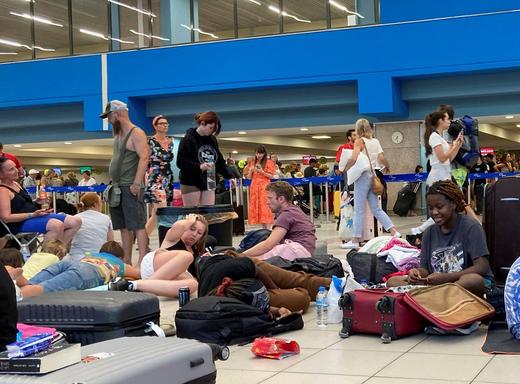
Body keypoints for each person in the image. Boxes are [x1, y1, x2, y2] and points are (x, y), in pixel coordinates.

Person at [387, 181, 491, 296]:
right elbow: (425, 270)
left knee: (473, 280)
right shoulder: (429, 233)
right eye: (431, 208)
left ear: (453, 204)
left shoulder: (471, 227)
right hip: (438, 285)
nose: (435, 212)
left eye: (440, 207)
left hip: (462, 284)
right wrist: (416, 273)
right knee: (393, 281)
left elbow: (482, 267)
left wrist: (447, 278)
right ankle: (436, 296)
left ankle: (434, 296)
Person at [109, 214, 207, 297]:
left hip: (163, 281)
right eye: (192, 229)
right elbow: (179, 225)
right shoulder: (174, 238)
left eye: (199, 233)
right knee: (187, 256)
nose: (194, 234)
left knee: (192, 285)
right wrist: (190, 220)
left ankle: (135, 286)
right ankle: (145, 286)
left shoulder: (197, 251)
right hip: (153, 265)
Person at [197, 252, 331, 313]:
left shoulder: (234, 266)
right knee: (302, 298)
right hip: (238, 291)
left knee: (293, 280)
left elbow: (256, 270)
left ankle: (338, 284)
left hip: (241, 267)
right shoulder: (213, 306)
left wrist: (277, 290)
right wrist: (277, 310)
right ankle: (333, 286)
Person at [101, 100, 150, 265]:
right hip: (117, 187)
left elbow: (144, 157)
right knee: (123, 226)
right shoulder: (118, 134)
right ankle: (127, 260)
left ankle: (143, 259)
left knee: (137, 224)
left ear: (116, 114)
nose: (108, 120)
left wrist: (136, 183)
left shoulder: (136, 133)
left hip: (130, 186)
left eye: (108, 116)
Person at [341, 119, 399, 248]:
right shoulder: (375, 141)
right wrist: (387, 166)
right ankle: (394, 231)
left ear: (358, 129)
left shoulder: (359, 141)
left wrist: (345, 167)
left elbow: (354, 158)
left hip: (362, 177)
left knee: (359, 210)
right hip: (373, 176)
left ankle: (355, 240)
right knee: (376, 208)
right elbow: (382, 158)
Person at [0, 157, 81, 244]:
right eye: (11, 169)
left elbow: (23, 204)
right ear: (1, 174)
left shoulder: (16, 184)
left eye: (15, 167)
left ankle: (58, 251)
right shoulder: (3, 191)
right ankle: (48, 255)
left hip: (34, 215)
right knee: (56, 225)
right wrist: (32, 215)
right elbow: (6, 218)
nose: (16, 170)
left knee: (75, 221)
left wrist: (36, 201)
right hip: (18, 223)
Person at [16, 241, 138, 298]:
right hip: (92, 272)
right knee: (42, 289)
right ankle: (12, 300)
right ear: (120, 257)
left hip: (71, 264)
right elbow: (141, 274)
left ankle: (14, 284)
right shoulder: (119, 264)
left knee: (30, 283)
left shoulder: (91, 255)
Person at [241, 181, 317, 260]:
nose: (267, 202)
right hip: (304, 251)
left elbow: (268, 245)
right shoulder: (295, 210)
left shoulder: (286, 215)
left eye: (270, 198)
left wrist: (240, 256)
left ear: (281, 199)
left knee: (250, 262)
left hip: (296, 251)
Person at [177, 111, 233, 207]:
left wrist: (230, 176)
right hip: (191, 180)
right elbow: (181, 162)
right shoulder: (188, 139)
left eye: (213, 129)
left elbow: (219, 161)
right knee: (192, 214)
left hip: (209, 178)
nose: (211, 131)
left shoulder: (212, 140)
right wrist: (199, 166)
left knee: (208, 213)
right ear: (202, 123)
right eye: (210, 128)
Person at [67, 193, 113, 261]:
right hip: (99, 258)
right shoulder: (106, 218)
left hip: (76, 257)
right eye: (100, 202)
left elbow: (68, 242)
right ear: (95, 204)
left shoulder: (75, 218)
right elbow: (110, 243)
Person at [425, 110, 464, 186]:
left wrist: (458, 145)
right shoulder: (434, 137)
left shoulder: (440, 138)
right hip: (438, 177)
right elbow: (442, 159)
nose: (450, 121)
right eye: (447, 119)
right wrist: (454, 146)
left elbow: (449, 159)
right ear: (440, 121)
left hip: (445, 175)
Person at [145, 114, 175, 211]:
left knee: (167, 207)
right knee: (159, 207)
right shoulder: (150, 142)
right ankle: (154, 225)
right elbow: (145, 160)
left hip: (168, 175)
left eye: (166, 123)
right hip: (156, 176)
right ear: (155, 126)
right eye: (162, 123)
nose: (165, 125)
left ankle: (163, 226)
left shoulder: (170, 141)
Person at [244, 145, 276, 228]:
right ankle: (263, 227)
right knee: (257, 206)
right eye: (257, 153)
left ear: (264, 153)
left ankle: (267, 228)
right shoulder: (252, 162)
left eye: (261, 153)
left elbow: (271, 176)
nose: (259, 155)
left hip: (264, 186)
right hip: (254, 186)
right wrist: (250, 171)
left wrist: (261, 171)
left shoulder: (269, 162)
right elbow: (248, 178)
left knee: (265, 205)